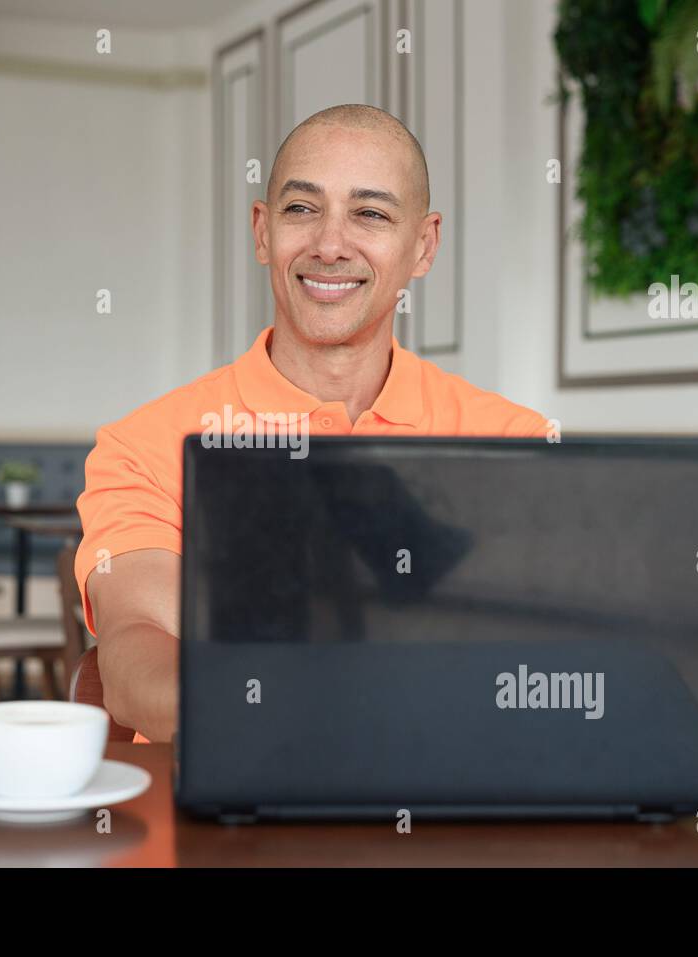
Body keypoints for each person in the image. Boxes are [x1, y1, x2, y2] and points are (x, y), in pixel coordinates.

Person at [74, 104, 550, 743]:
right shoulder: (145, 446)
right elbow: (137, 662)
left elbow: (526, 651)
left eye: (371, 214)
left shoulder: (513, 441)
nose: (330, 245)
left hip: (447, 807)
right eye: (302, 209)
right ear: (263, 232)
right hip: (219, 820)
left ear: (424, 245)